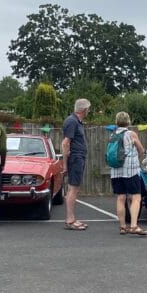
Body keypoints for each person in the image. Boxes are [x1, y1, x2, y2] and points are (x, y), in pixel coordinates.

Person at [111, 112, 147, 236]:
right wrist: (141, 153)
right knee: (136, 197)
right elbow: (141, 149)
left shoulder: (113, 134)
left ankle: (122, 227)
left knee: (121, 198)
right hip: (130, 171)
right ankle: (133, 226)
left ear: (116, 122)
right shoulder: (131, 134)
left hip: (116, 171)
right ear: (128, 122)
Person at [62, 98, 90, 231]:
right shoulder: (72, 121)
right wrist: (65, 165)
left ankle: (72, 218)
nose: (88, 111)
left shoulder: (76, 121)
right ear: (84, 110)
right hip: (75, 158)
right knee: (72, 189)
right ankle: (69, 220)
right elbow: (65, 143)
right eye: (88, 109)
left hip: (79, 158)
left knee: (75, 189)